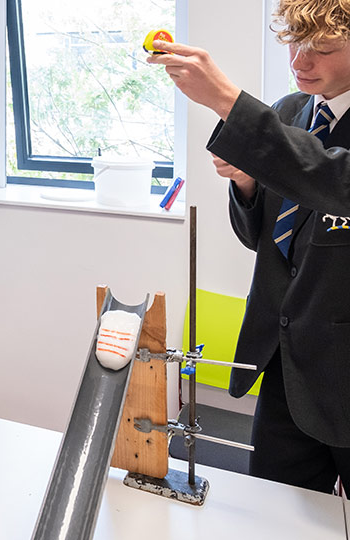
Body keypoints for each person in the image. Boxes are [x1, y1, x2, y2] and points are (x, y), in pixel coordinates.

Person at [147, 0, 350, 494]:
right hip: (286, 362)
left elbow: (335, 179)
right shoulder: (287, 112)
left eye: (322, 49)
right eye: (295, 45)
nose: (301, 62)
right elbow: (262, 238)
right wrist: (245, 185)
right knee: (275, 507)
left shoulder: (271, 124)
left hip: (343, 364)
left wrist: (228, 101)